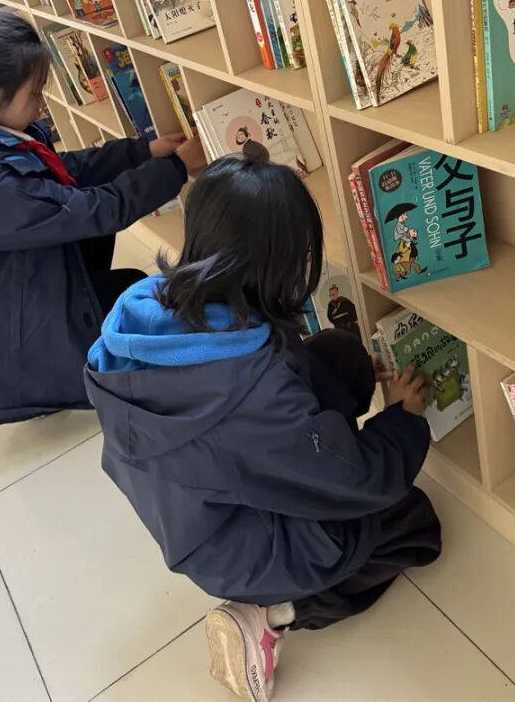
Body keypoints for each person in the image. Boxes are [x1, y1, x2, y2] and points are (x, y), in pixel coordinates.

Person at [84, 156, 442, 702]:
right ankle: (273, 614)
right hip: (245, 548)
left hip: (196, 513)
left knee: (340, 356)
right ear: (276, 266)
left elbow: (267, 387)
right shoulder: (253, 399)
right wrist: (402, 421)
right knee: (412, 523)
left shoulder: (144, 307)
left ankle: (280, 575)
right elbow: (359, 479)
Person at [0, 11, 206, 424]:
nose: (42, 103)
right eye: (35, 93)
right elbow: (92, 211)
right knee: (142, 311)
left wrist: (143, 152)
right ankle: (48, 385)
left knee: (131, 290)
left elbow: (58, 172)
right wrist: (176, 169)